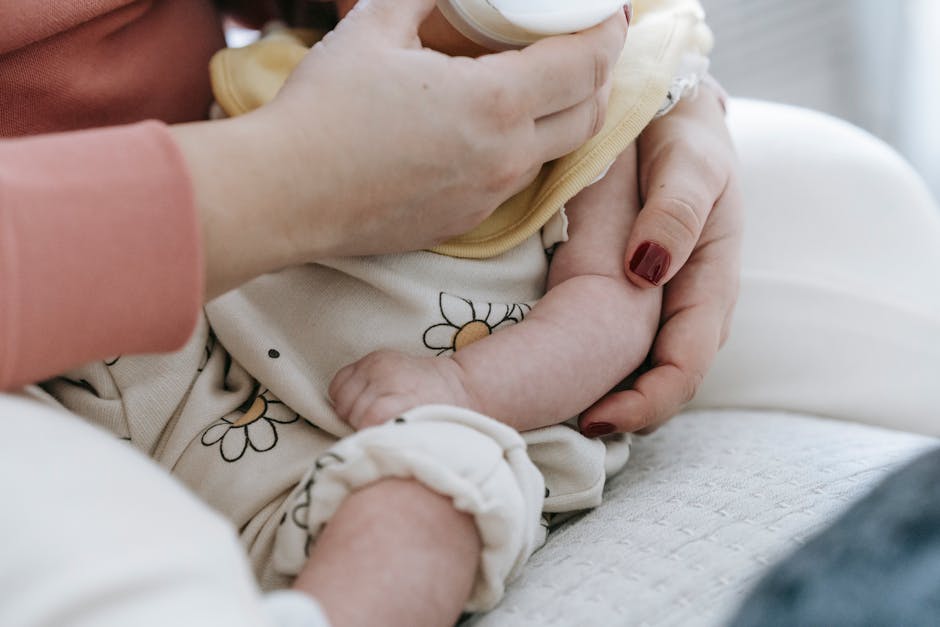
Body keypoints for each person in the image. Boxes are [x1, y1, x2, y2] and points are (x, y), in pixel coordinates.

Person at [0, 0, 742, 625]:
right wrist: (297, 170)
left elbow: (608, 314)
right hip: (106, 333)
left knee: (436, 495)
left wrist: (464, 389)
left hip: (395, 417)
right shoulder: (282, 69)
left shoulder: (601, 93)